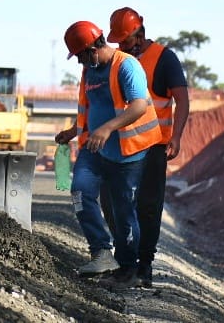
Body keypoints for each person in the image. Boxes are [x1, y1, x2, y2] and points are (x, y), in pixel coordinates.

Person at [55, 21, 161, 286]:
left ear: (93, 48)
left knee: (123, 212)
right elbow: (94, 107)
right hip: (95, 148)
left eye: (80, 55)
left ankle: (127, 270)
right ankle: (101, 252)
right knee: (80, 192)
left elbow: (138, 106)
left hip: (127, 152)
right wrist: (74, 131)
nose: (79, 62)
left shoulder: (127, 66)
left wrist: (107, 129)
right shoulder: (89, 72)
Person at [101, 6, 190, 288]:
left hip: (153, 146)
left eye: (124, 40)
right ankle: (125, 260)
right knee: (112, 202)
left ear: (139, 33)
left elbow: (182, 100)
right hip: (120, 146)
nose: (121, 45)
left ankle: (144, 266)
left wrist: (176, 137)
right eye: (118, 42)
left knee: (148, 206)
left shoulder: (164, 59)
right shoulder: (116, 61)